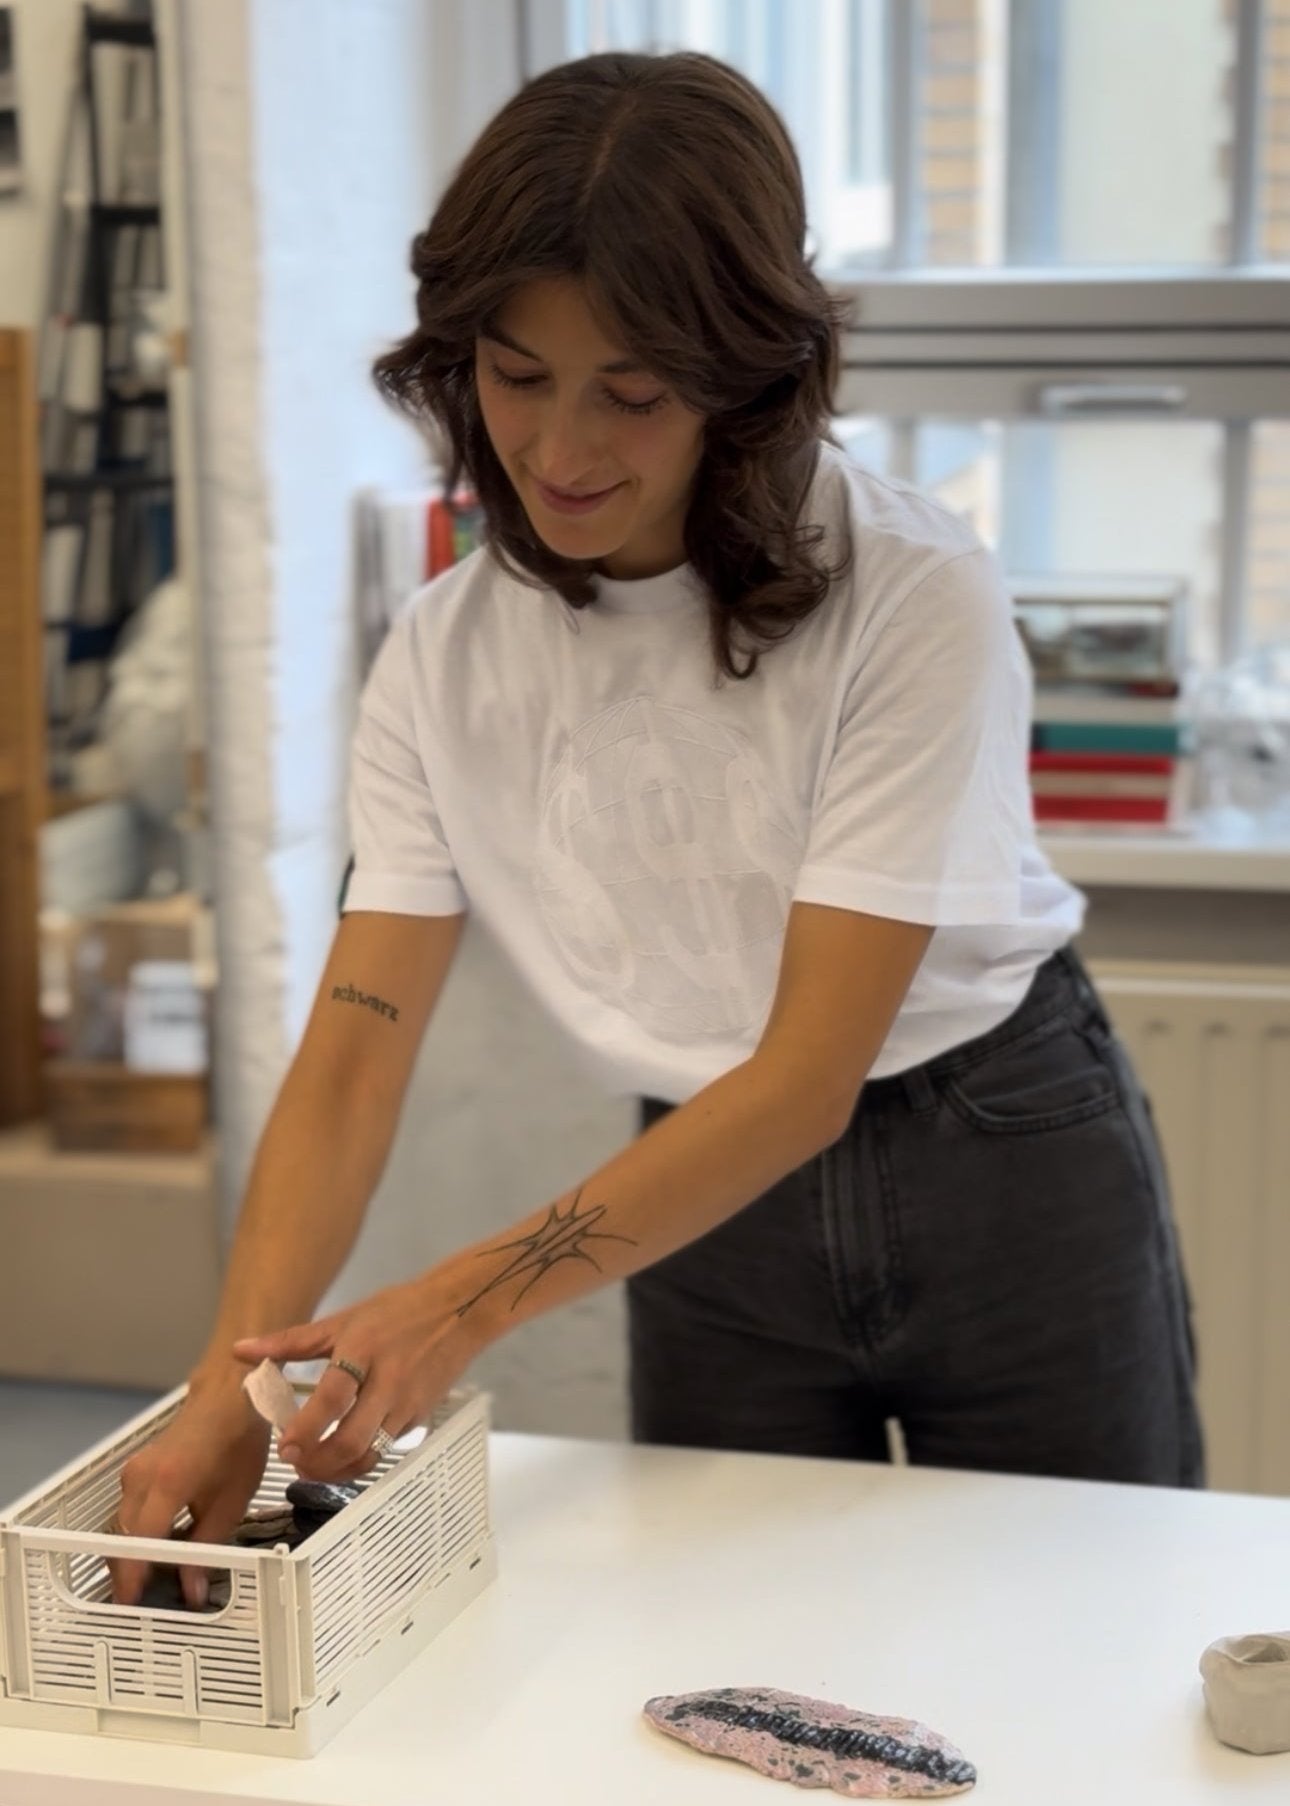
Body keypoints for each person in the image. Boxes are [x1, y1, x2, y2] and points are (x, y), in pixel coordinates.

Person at [114, 50, 1203, 1609]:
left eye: (630, 392)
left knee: (1085, 1630)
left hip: (1000, 1162)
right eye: (513, 374)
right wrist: (229, 1379)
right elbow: (355, 1048)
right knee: (732, 1653)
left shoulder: (909, 592)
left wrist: (460, 1301)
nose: (559, 452)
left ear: (744, 373)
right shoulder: (441, 655)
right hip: (699, 1196)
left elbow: (806, 1072)